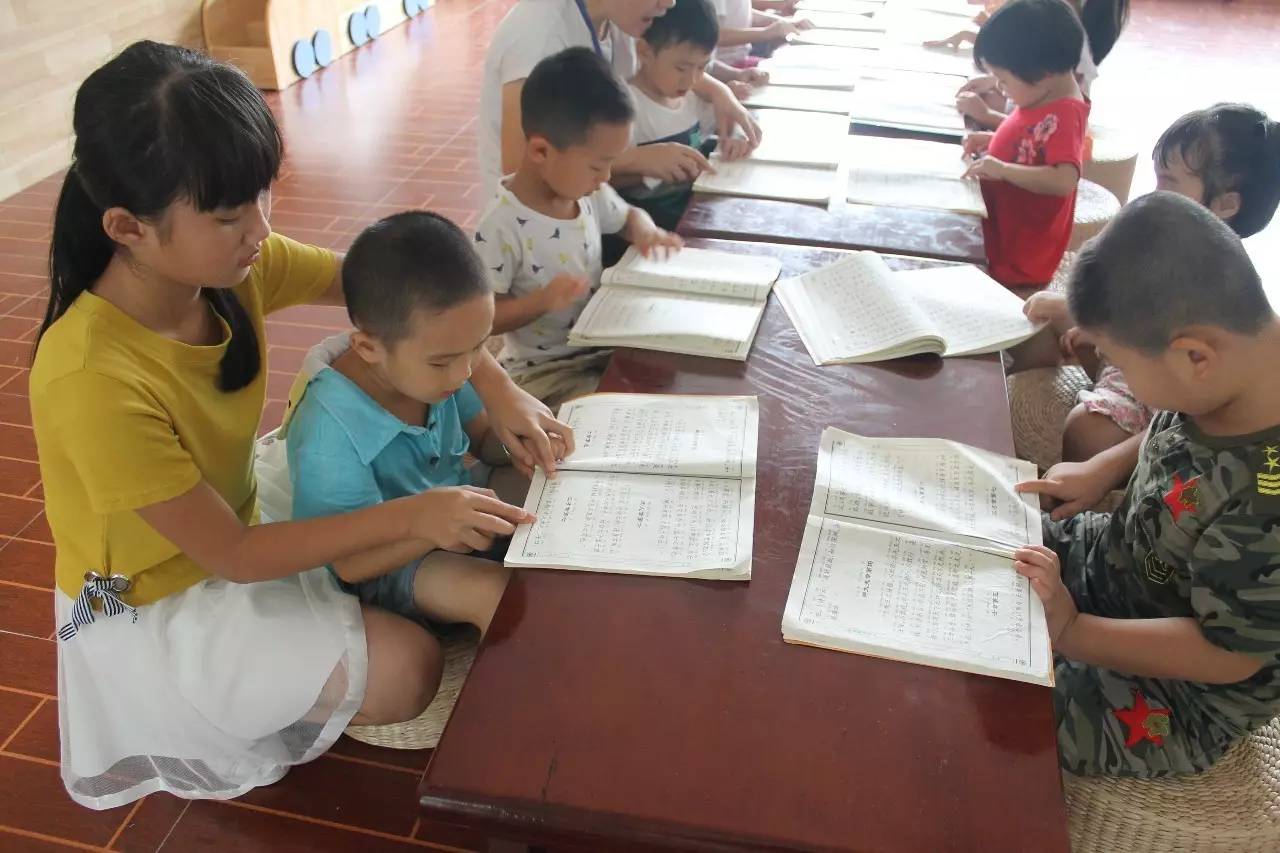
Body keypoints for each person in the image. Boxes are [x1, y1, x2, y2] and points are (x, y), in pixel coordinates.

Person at [30, 41, 571, 810]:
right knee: (408, 669)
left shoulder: (233, 266)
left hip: (241, 511)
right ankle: (236, 699)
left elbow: (401, 295)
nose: (259, 229)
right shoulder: (90, 377)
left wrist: (497, 382)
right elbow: (234, 555)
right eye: (229, 215)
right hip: (167, 595)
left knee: (473, 512)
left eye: (262, 197)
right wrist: (416, 516)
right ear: (128, 227)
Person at [1012, 192, 1280, 777]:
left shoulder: (1268, 503)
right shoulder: (1231, 370)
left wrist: (1074, 632)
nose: (1124, 384)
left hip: (1180, 687)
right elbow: (1177, 427)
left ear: (1194, 356)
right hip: (1120, 558)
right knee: (991, 540)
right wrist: (1105, 468)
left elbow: (1229, 655)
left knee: (1007, 708)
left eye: (1122, 365)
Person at [287, 212, 540, 642]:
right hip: (388, 560)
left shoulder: (438, 361)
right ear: (368, 347)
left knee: (551, 490)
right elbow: (349, 563)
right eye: (442, 362)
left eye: (478, 348)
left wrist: (520, 443)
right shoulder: (328, 433)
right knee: (497, 593)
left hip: (456, 503)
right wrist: (429, 529)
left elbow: (481, 436)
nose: (464, 372)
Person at [1022, 104, 1280, 461]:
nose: (1155, 193)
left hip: (1156, 386)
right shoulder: (1165, 246)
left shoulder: (1219, 289)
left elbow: (1186, 411)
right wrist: (1098, 333)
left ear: (1226, 204)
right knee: (1039, 318)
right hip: (1130, 353)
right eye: (1157, 178)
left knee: (1087, 431)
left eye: (1169, 182)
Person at [474, 48, 683, 408]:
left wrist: (647, 232)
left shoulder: (588, 192)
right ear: (541, 151)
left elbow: (628, 216)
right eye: (597, 166)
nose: (606, 177)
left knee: (673, 373)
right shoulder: (500, 226)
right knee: (611, 410)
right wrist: (541, 301)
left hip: (600, 345)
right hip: (543, 371)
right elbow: (482, 317)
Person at [479, 0, 762, 200]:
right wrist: (636, 160)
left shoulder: (619, 20)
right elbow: (521, 168)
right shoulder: (538, 39)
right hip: (533, 230)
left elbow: (660, 68)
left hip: (585, 205)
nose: (670, 3)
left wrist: (720, 93)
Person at [962, 0, 1089, 289]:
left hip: (1018, 250)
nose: (998, 87)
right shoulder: (1043, 95)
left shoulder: (1065, 114)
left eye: (1003, 80)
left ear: (1042, 73)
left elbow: (1063, 179)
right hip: (1003, 223)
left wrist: (1002, 168)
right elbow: (1032, 140)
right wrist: (995, 140)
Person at [625, 0, 752, 228]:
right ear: (644, 52)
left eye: (702, 67)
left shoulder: (692, 98)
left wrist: (735, 137)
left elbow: (726, 123)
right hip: (653, 228)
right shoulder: (627, 109)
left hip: (695, 215)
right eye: (681, 68)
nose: (691, 79)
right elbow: (606, 179)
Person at [955, 0, 1130, 128]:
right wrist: (997, 80)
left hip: (1035, 112)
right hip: (1032, 97)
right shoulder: (1058, 20)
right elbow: (1021, 53)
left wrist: (987, 115)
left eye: (1004, 80)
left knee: (979, 103)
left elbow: (1038, 134)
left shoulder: (1064, 109)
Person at [711, 0, 812, 70]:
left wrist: (784, 22)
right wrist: (766, 32)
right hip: (724, 66)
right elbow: (714, 36)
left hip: (740, 58)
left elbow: (741, 13)